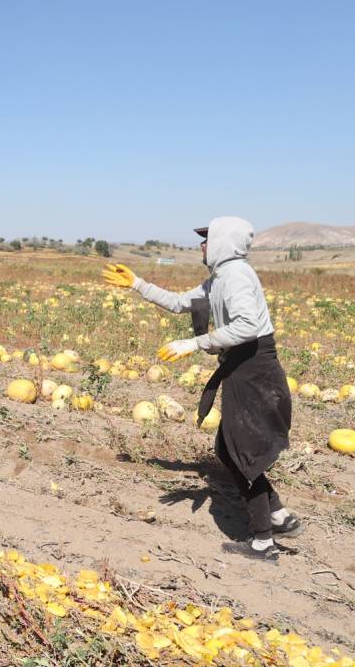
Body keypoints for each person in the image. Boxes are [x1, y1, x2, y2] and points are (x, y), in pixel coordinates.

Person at [102, 216, 301, 561]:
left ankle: (263, 542)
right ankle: (279, 515)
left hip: (253, 368)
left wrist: (195, 344)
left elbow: (247, 326)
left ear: (224, 241)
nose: (202, 245)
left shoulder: (236, 275)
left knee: (242, 455)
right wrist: (137, 284)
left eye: (208, 239)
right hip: (241, 367)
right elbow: (182, 302)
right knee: (228, 449)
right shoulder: (220, 278)